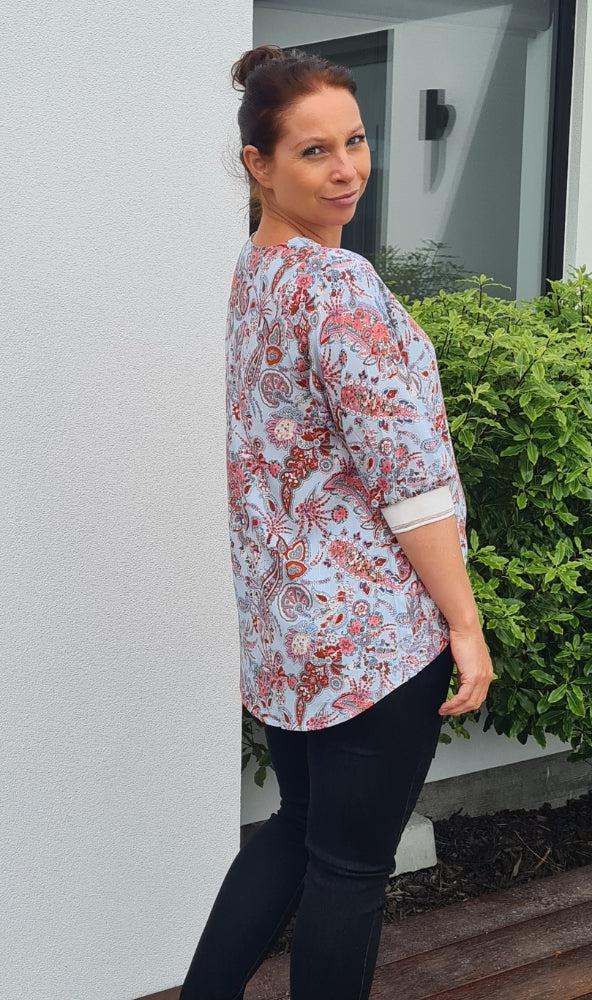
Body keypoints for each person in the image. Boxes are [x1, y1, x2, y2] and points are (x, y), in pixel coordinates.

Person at [180, 44, 494, 1000]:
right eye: (314, 151)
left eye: (355, 141)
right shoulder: (334, 284)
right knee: (350, 870)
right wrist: (464, 622)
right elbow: (408, 479)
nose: (347, 168)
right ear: (259, 164)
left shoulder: (260, 272)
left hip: (290, 631)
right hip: (371, 639)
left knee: (297, 830)